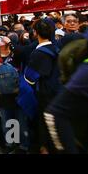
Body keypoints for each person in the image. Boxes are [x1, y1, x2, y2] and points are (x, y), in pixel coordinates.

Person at [27, 19, 63, 154]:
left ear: (35, 33)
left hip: (44, 94)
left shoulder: (38, 53)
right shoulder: (57, 48)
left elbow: (30, 78)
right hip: (58, 92)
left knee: (44, 126)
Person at [0, 35, 28, 154]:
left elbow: (24, 53)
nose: (0, 41)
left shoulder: (15, 54)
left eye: (3, 39)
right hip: (2, 95)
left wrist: (11, 43)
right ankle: (10, 143)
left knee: (20, 120)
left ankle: (22, 146)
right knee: (7, 121)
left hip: (18, 93)